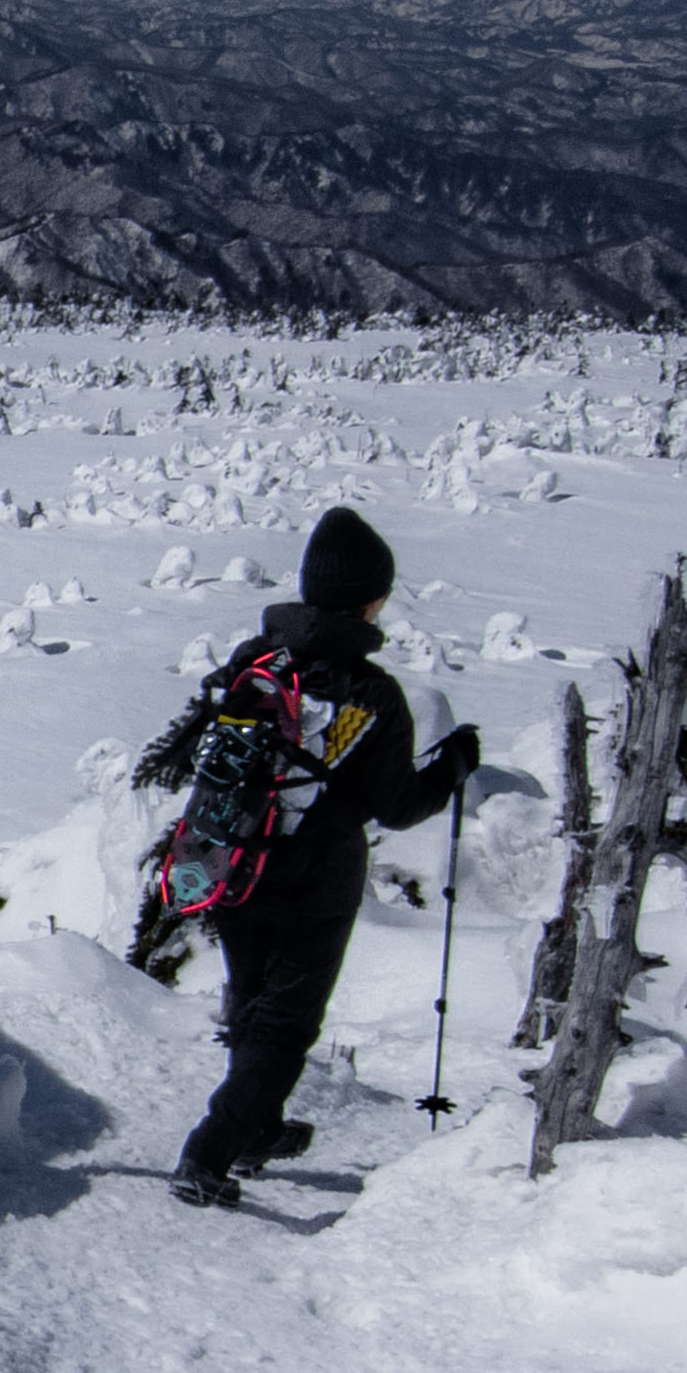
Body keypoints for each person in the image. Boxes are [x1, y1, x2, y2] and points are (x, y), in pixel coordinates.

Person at [169, 506, 480, 1211]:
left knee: (252, 999)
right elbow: (396, 806)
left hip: (233, 859)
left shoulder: (256, 661)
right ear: (370, 599)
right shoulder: (370, 692)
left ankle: (256, 1131)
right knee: (284, 1023)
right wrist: (453, 767)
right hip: (317, 880)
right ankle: (209, 1151)